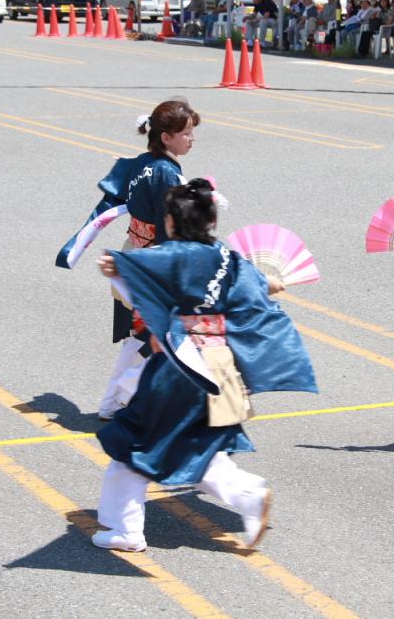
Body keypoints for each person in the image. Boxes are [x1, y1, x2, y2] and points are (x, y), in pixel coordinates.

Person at [91, 179, 318, 552]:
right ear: (211, 221)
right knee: (197, 444)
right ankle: (248, 494)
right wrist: (269, 282)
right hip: (219, 365)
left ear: (171, 222)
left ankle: (125, 529)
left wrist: (115, 264)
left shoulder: (174, 254)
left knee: (134, 442)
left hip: (180, 367)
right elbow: (254, 288)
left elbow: (135, 264)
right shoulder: (227, 257)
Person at [55, 99, 199, 420]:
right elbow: (167, 228)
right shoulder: (166, 173)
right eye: (186, 133)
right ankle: (130, 397)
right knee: (170, 338)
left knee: (141, 337)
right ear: (166, 137)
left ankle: (112, 403)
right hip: (149, 263)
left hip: (131, 255)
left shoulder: (140, 163)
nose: (192, 139)